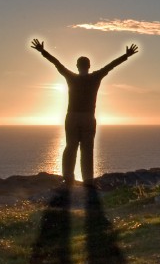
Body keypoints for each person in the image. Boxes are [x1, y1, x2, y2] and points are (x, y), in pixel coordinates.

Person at [31, 39, 138, 186]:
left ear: (77, 66)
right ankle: (87, 180)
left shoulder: (71, 77)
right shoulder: (96, 77)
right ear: (89, 66)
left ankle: (68, 178)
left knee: (70, 147)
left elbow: (57, 63)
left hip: (72, 116)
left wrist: (42, 51)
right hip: (88, 117)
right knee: (87, 149)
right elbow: (111, 65)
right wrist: (126, 55)